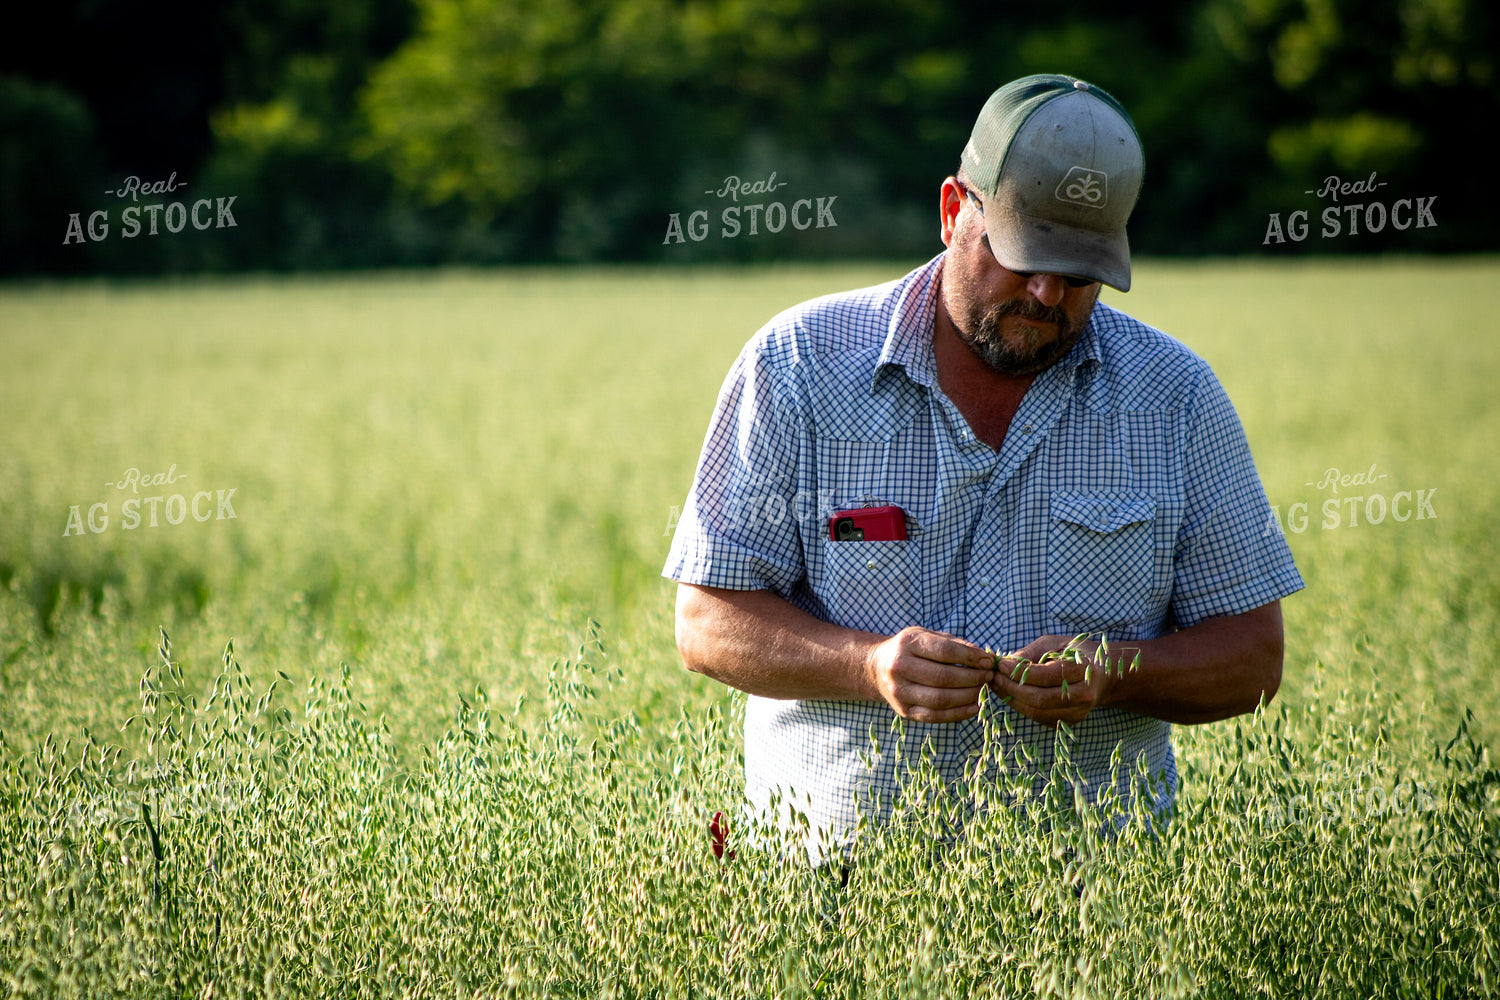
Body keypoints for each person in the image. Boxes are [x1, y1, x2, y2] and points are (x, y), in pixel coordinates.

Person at [663, 73, 1304, 864]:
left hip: (1098, 897)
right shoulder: (797, 365)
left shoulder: (1175, 397)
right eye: (1022, 256)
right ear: (950, 211)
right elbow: (706, 623)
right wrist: (868, 667)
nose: (1045, 293)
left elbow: (1252, 659)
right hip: (833, 886)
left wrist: (1113, 671)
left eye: (1079, 274)